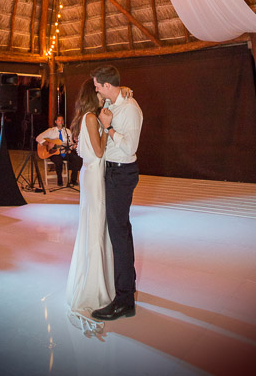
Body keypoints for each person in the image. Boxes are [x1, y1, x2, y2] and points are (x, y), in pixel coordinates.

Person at [90, 65, 143, 322]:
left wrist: (108, 128)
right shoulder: (113, 105)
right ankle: (126, 292)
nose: (96, 89)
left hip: (121, 174)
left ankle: (123, 301)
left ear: (107, 85)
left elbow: (130, 146)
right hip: (114, 173)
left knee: (119, 236)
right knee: (121, 233)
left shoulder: (130, 109)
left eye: (98, 85)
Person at [66, 79, 115, 330]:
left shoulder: (85, 117)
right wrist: (107, 129)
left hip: (89, 175)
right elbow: (98, 152)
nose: (100, 94)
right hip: (95, 175)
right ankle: (94, 290)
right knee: (96, 227)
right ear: (90, 94)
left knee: (93, 225)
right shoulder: (91, 119)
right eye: (97, 91)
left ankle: (95, 281)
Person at [36, 114, 82, 186]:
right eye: (59, 120)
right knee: (59, 161)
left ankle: (73, 180)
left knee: (76, 158)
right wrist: (48, 143)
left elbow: (70, 143)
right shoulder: (51, 131)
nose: (61, 122)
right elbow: (38, 138)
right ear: (55, 122)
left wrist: (74, 146)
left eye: (62, 120)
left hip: (65, 152)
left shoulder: (68, 131)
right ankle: (60, 181)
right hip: (54, 153)